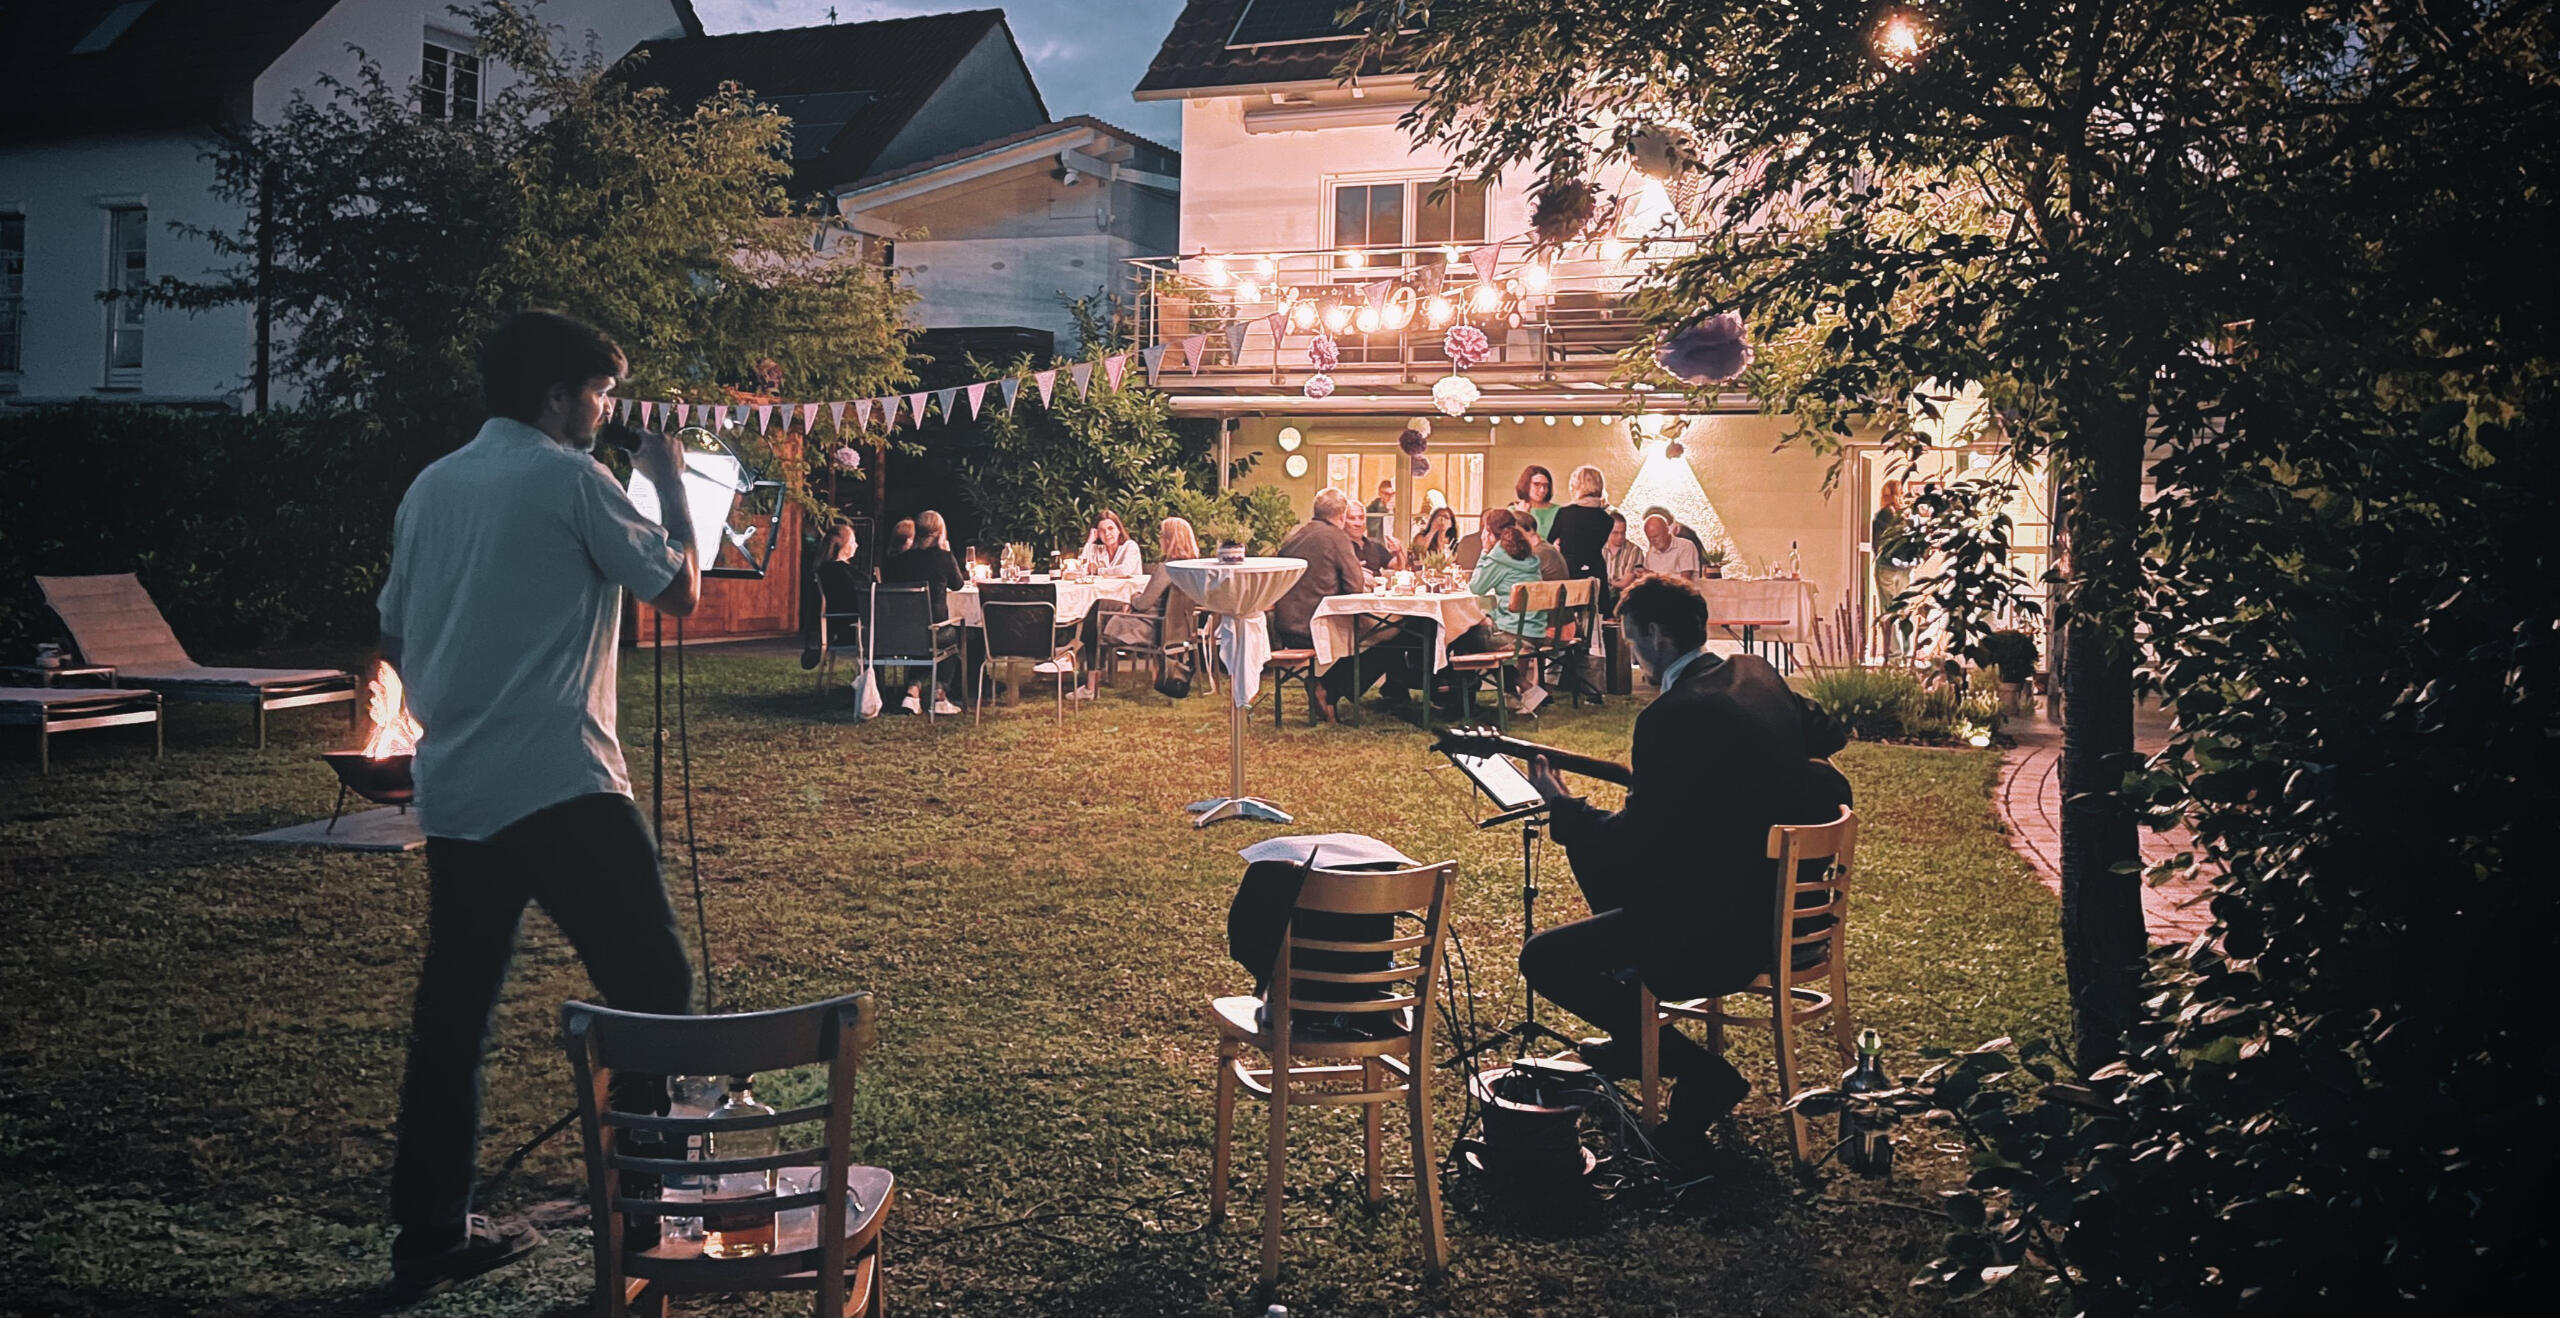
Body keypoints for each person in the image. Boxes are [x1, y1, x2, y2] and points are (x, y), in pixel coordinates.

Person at [375, 310, 698, 1297]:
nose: (605, 411)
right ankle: (649, 1216)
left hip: (459, 789)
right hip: (562, 780)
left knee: (454, 1015)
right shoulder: (572, 478)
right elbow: (678, 589)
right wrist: (670, 483)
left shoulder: (431, 486)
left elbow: (394, 633)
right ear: (558, 395)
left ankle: (430, 1231)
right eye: (600, 393)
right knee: (653, 988)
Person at [1519, 574, 1852, 1141]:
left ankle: (1701, 1072)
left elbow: (1639, 845)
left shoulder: (1671, 716)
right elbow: (1829, 734)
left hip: (1718, 934)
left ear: (1655, 633)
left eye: (1631, 639)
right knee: (1613, 892)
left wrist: (1564, 808)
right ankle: (1636, 1042)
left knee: (1546, 957)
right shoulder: (1755, 673)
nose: (1633, 653)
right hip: (1787, 913)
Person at [1271, 487, 1384, 722]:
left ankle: (1328, 687)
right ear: (1342, 516)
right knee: (1388, 638)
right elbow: (1354, 587)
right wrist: (1359, 573)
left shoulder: (1294, 538)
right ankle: (1328, 687)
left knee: (1377, 634)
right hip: (1315, 626)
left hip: (1285, 626)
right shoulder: (1336, 537)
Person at [1460, 507, 1551, 714]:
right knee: (1482, 634)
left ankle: (1524, 689)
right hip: (1536, 632)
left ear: (1489, 533)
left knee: (1464, 637)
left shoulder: (1498, 557)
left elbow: (1476, 587)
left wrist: (1484, 551)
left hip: (1516, 635)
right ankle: (1512, 695)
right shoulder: (1528, 555)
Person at [879, 518, 962, 715]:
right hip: (934, 631)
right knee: (953, 635)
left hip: (900, 630)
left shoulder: (901, 560)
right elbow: (957, 584)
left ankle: (912, 692)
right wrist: (947, 552)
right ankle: (939, 694)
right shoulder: (943, 558)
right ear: (939, 533)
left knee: (922, 640)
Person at [1103, 516, 1200, 655]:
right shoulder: (1193, 568)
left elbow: (1142, 604)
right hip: (1180, 627)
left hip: (1153, 627)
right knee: (1105, 604)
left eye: (1161, 535)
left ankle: (1088, 661)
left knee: (1100, 612)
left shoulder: (1167, 569)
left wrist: (1133, 596)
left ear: (1169, 540)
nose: (1159, 539)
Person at [1872, 480, 1922, 660]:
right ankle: (1907, 652)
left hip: (1887, 566)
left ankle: (1895, 653)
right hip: (1905, 567)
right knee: (1904, 609)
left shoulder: (1882, 515)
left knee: (1889, 609)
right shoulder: (1907, 515)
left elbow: (1877, 544)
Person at [1547, 465, 1614, 583]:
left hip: (1570, 571)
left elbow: (1549, 541)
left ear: (1576, 486)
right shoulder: (1607, 519)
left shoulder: (1565, 514)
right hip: (1596, 570)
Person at [1081, 509, 1143, 578]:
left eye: (1110, 528)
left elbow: (1125, 570)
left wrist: (1098, 571)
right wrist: (1089, 541)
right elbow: (1080, 569)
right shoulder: (1097, 550)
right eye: (1101, 530)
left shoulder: (1130, 546)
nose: (1107, 533)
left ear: (1119, 529)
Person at [1640, 512, 1701, 577]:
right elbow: (1647, 577)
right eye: (1649, 538)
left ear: (1667, 530)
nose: (1653, 541)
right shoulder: (1651, 553)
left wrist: (1657, 577)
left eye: (1656, 536)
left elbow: (1685, 580)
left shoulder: (1685, 546)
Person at [1603, 510, 1646, 593]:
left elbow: (1625, 583)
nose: (1620, 536)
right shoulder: (1599, 548)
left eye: (1623, 532)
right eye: (1615, 533)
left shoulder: (1634, 550)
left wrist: (1608, 582)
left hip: (1623, 596)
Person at [1513, 464, 1559, 539]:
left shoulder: (1559, 511)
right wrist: (1522, 516)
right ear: (1526, 485)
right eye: (1536, 484)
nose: (1542, 490)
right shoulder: (1513, 510)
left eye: (1545, 485)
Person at [1365, 477, 1395, 541]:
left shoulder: (1398, 509)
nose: (1389, 497)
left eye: (1392, 494)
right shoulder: (1372, 509)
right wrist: (1385, 509)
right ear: (1380, 493)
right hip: (1377, 544)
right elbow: (1372, 527)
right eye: (1386, 494)